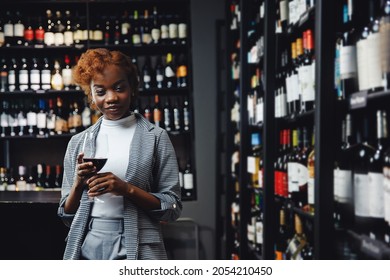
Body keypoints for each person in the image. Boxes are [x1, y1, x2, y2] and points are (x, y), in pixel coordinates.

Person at [57, 48, 182, 260]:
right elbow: (66, 215)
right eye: (101, 91)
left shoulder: (156, 137)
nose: (111, 98)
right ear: (91, 95)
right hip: (88, 245)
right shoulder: (78, 142)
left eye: (119, 87)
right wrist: (78, 185)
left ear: (132, 88)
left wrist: (126, 189)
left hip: (139, 246)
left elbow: (172, 207)